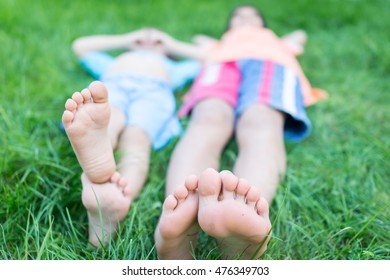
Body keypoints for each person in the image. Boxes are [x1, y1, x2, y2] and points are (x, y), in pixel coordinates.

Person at [154, 5, 327, 259]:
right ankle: (180, 218)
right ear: (229, 26)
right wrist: (168, 42)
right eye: (238, 16)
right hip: (221, 64)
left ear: (264, 24)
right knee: (208, 118)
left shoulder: (276, 42)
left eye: (253, 16)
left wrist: (274, 38)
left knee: (262, 120)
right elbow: (195, 46)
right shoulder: (216, 44)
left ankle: (242, 218)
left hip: (270, 64)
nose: (245, 18)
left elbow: (299, 36)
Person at [62, 27, 203, 246]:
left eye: (156, 41)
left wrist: (168, 44)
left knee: (136, 137)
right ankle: (107, 161)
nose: (149, 41)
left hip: (154, 91)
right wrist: (126, 40)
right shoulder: (116, 60)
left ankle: (112, 197)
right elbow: (80, 46)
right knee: (113, 121)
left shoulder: (172, 67)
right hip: (113, 86)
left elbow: (210, 58)